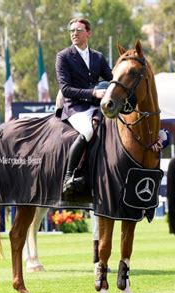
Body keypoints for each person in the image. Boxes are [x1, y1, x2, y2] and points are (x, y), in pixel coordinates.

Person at [55, 17, 113, 195]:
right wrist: (93, 93)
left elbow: (111, 79)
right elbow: (65, 89)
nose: (74, 34)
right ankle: (68, 177)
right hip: (75, 107)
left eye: (78, 30)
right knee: (88, 131)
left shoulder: (98, 57)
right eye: (72, 31)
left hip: (97, 106)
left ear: (88, 33)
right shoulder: (63, 56)